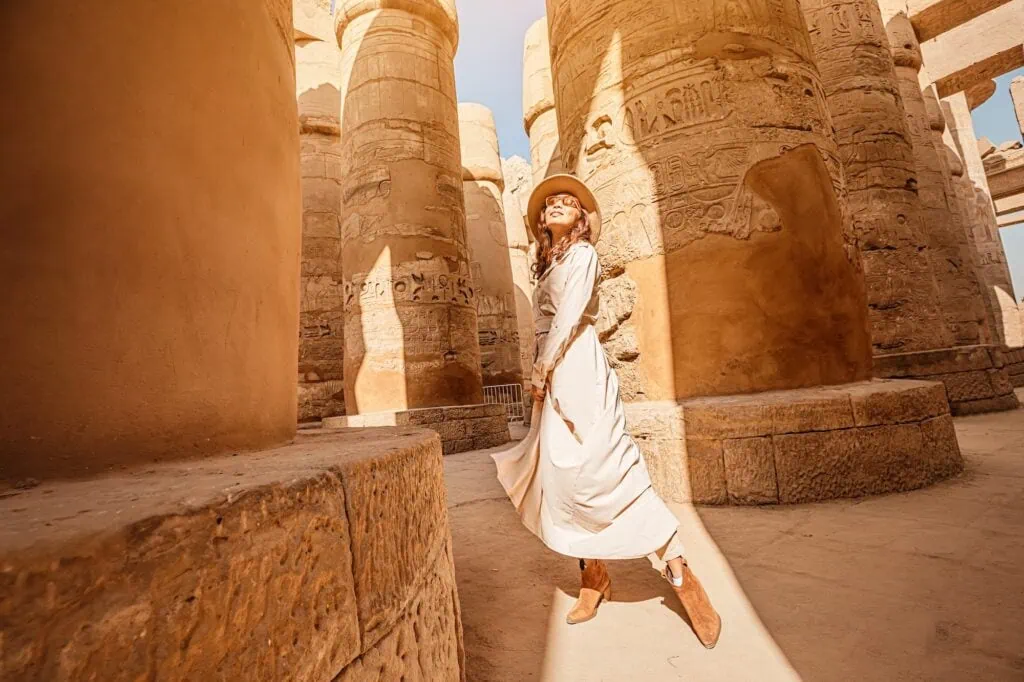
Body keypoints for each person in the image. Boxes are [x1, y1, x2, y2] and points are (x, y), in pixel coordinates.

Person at [491, 174, 722, 649]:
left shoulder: (582, 256)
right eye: (549, 202)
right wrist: (542, 370)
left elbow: (572, 315)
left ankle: (678, 566)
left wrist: (542, 368)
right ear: (541, 221)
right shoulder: (548, 264)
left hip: (573, 364)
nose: (556, 204)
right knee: (560, 477)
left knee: (609, 467)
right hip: (553, 368)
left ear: (581, 218)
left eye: (566, 202)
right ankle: (593, 573)